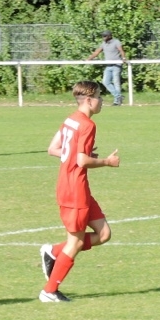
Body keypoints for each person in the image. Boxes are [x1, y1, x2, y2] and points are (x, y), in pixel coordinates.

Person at [38, 80, 120, 303]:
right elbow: (82, 161)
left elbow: (53, 149)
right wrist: (106, 161)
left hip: (75, 186)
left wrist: (78, 153)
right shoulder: (87, 125)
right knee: (74, 243)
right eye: (100, 96)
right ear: (89, 99)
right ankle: (49, 291)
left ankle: (54, 251)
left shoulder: (71, 120)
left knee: (104, 234)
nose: (102, 101)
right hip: (74, 189)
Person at [86, 30, 127, 106]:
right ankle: (118, 96)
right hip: (108, 66)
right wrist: (89, 59)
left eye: (105, 36)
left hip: (116, 65)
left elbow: (121, 50)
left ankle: (117, 101)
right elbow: (97, 52)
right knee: (105, 82)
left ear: (110, 36)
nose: (103, 37)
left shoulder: (116, 42)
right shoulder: (103, 44)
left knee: (116, 83)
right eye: (103, 36)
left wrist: (123, 58)